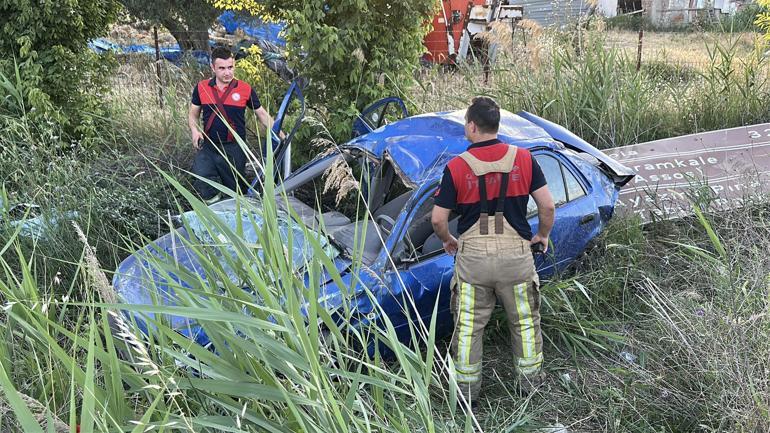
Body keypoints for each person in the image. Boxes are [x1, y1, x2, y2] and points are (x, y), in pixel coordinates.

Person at [431, 96, 555, 405]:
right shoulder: (525, 159)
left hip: (473, 261)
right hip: (516, 258)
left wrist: (448, 239)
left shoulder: (456, 167)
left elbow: (437, 219)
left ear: (472, 126)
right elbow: (548, 205)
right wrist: (542, 234)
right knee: (525, 323)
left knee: (469, 328)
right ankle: (530, 387)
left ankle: (465, 394)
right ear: (496, 125)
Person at [188, 46, 282, 203]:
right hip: (209, 146)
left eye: (230, 67)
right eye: (222, 68)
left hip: (234, 148)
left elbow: (262, 114)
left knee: (236, 190)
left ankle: (236, 215)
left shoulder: (245, 89)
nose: (227, 72)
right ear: (213, 67)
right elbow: (193, 114)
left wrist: (279, 132)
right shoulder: (201, 87)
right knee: (201, 177)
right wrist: (194, 130)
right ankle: (215, 208)